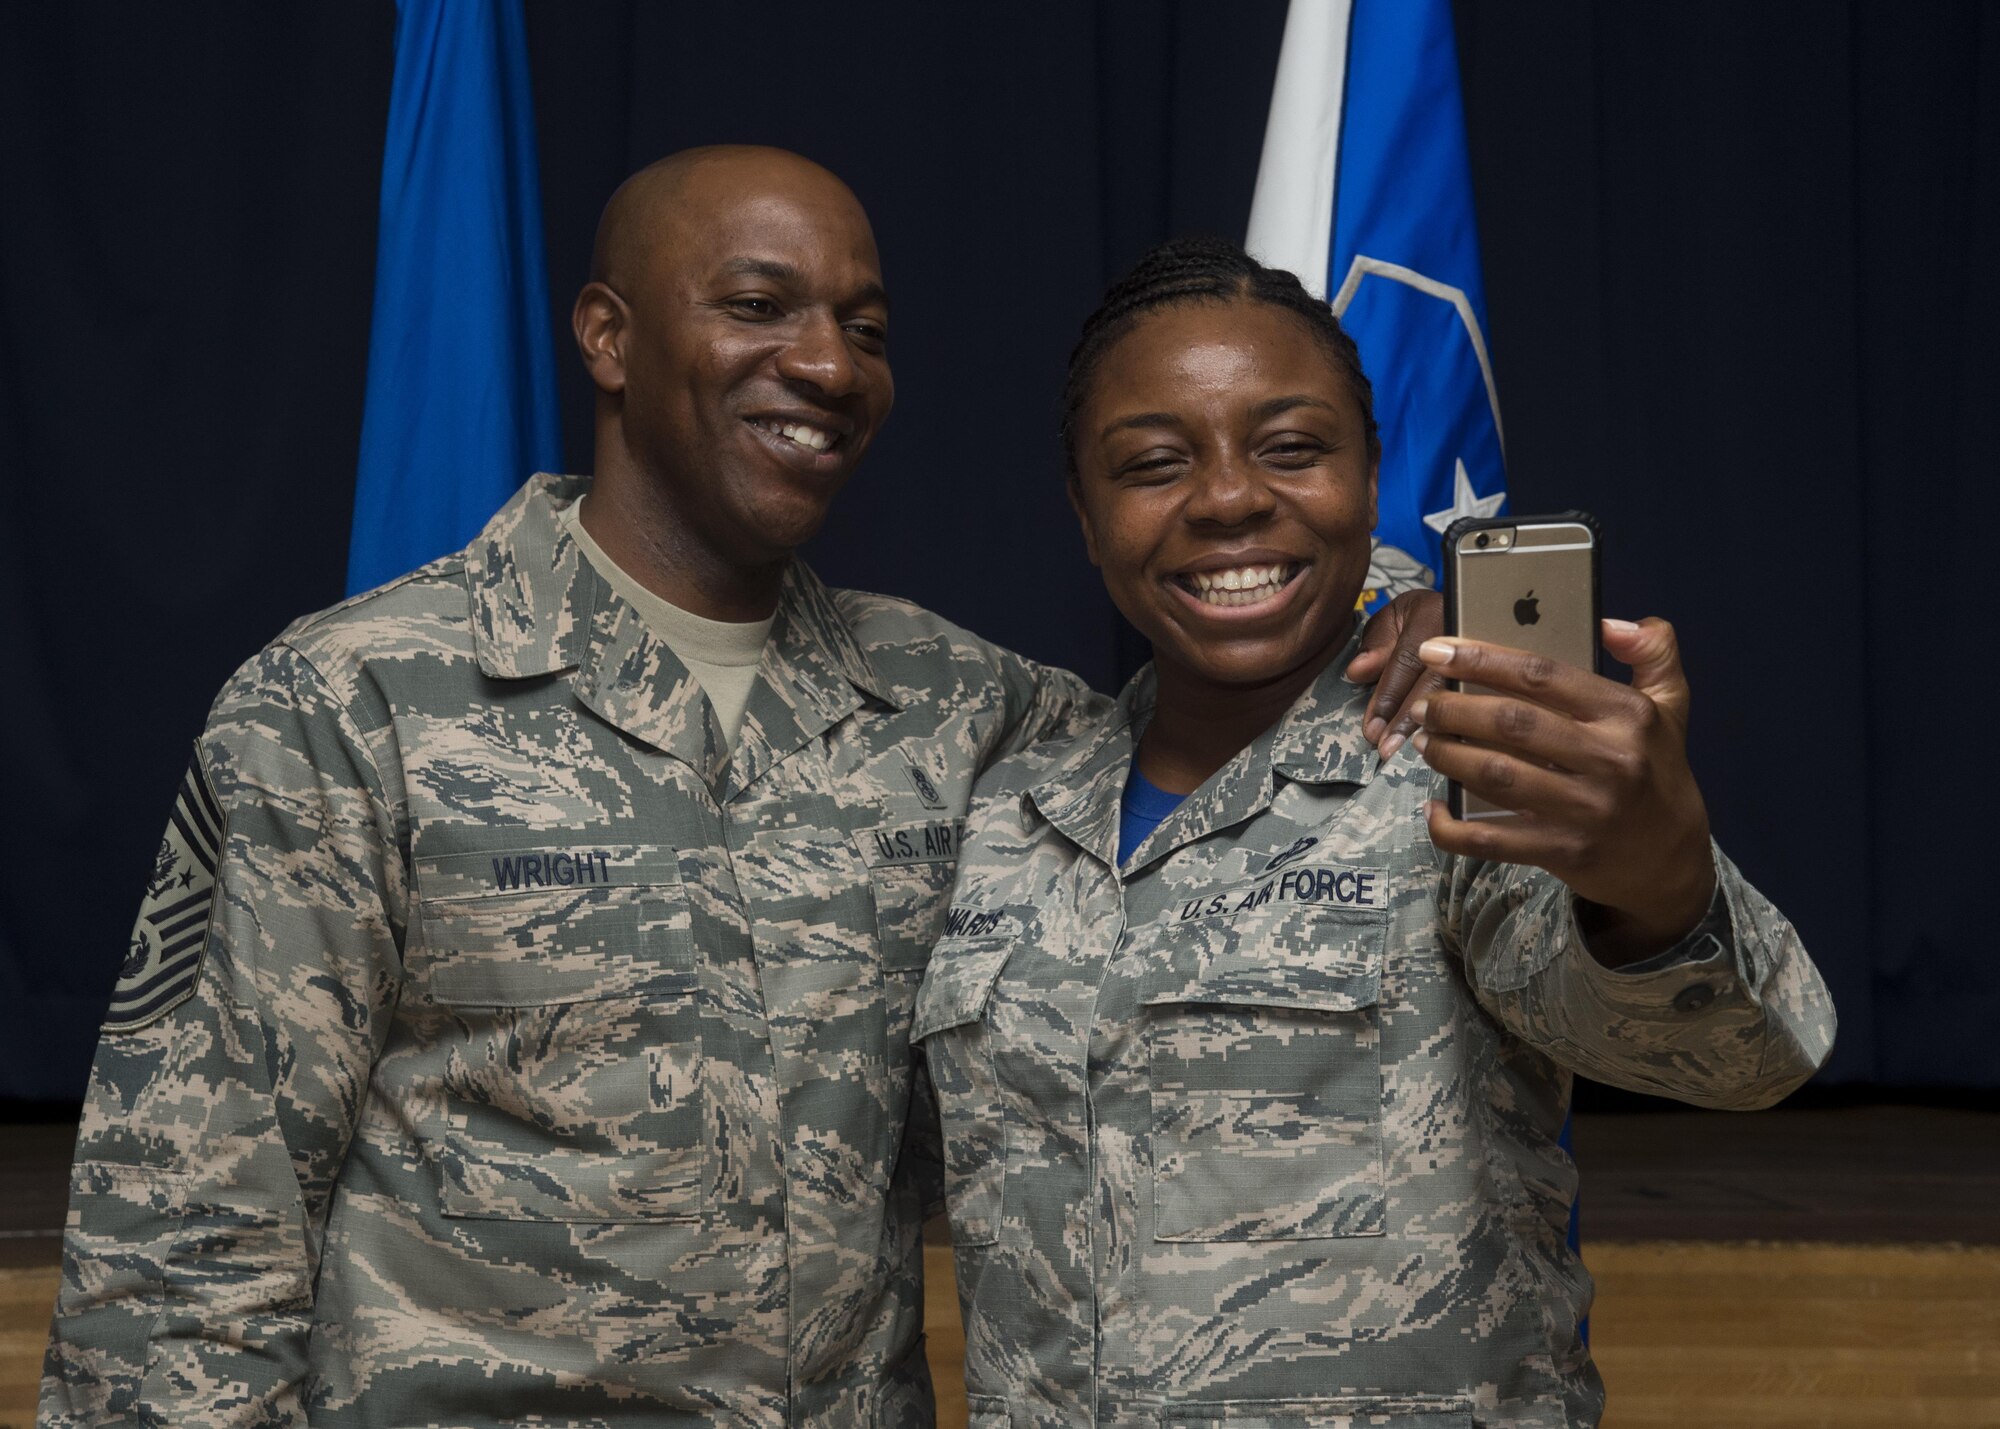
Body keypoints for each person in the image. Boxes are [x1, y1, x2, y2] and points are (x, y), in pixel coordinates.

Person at [41, 152, 1443, 1428]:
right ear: (610, 336)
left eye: (867, 329)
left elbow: (1214, 679)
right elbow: (180, 1242)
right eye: (761, 307)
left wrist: (1395, 601)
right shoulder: (352, 706)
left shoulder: (962, 714)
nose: (827, 364)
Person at [914, 237, 1835, 1428]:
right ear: (1087, 520)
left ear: (1369, 473)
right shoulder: (1002, 808)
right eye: (1150, 463)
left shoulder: (1460, 771)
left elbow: (1743, 1061)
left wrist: (1648, 885)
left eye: (1291, 447)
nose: (1230, 496)